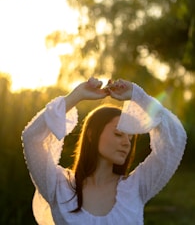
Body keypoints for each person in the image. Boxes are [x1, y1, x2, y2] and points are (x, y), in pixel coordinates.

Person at [22, 77, 187, 225]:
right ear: (92, 134)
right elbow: (32, 138)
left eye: (130, 139)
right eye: (118, 134)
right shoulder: (57, 186)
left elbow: (176, 139)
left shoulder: (137, 186)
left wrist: (137, 96)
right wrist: (76, 96)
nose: (126, 144)